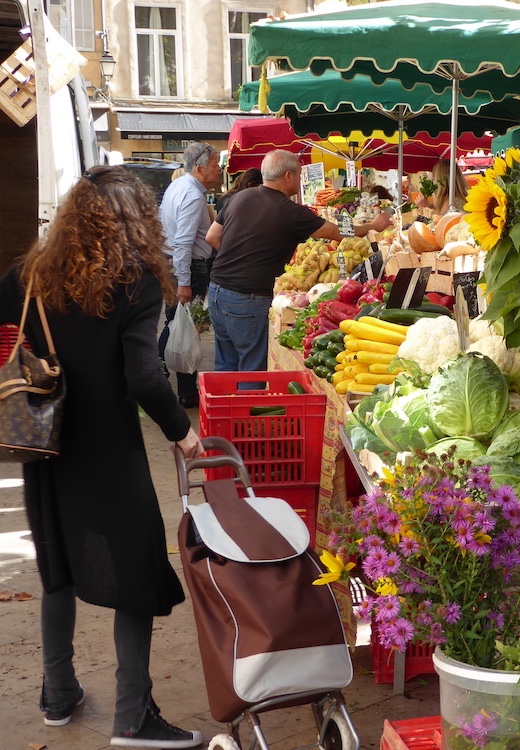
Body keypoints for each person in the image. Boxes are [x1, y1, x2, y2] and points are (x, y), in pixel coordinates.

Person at [0, 166, 205, 748]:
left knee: (57, 566)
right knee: (136, 570)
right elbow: (143, 374)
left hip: (46, 440)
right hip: (108, 449)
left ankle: (58, 694)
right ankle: (133, 718)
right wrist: (180, 430)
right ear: (137, 219)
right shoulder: (136, 280)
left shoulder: (33, 272)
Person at [206, 149, 391, 373]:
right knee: (250, 369)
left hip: (216, 292)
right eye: (299, 174)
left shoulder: (239, 197)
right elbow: (337, 232)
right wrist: (373, 226)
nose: (300, 179)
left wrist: (241, 258)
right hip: (248, 298)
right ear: (288, 177)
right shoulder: (291, 211)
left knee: (225, 367)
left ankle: (221, 407)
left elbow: (212, 236)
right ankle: (247, 405)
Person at [158, 141, 223, 409]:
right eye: (215, 166)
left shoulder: (179, 186)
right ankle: (169, 382)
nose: (219, 170)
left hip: (175, 264)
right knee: (184, 327)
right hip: (188, 267)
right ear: (199, 168)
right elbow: (183, 242)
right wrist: (184, 282)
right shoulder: (193, 195)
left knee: (180, 325)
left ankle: (175, 384)